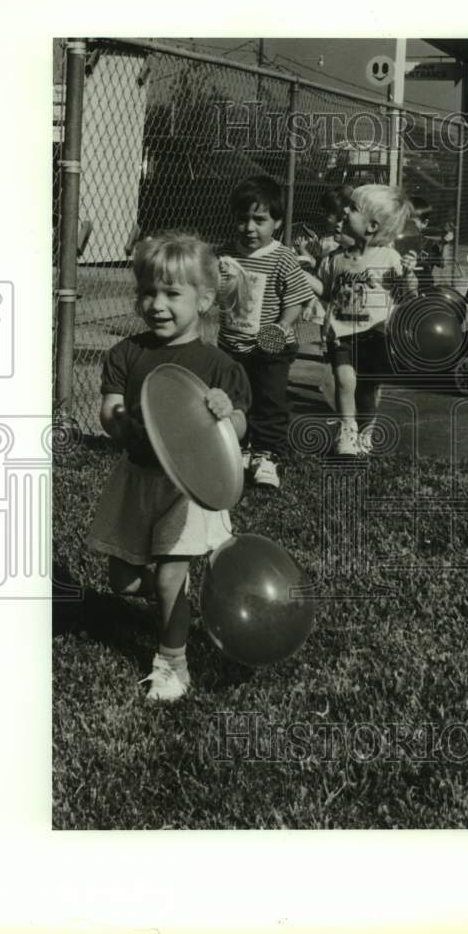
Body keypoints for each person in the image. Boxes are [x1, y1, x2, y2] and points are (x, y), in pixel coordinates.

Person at [86, 232, 252, 702]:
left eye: (171, 294)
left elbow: (237, 425)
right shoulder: (126, 354)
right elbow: (110, 410)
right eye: (148, 292)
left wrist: (224, 413)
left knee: (168, 575)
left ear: (202, 300)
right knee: (123, 580)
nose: (156, 304)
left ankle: (172, 664)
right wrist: (119, 421)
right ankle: (177, 599)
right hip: (138, 479)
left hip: (188, 487)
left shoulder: (219, 366)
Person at [216, 175, 313, 490]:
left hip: (271, 346)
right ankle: (241, 449)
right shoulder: (226, 254)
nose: (249, 227)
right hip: (232, 343)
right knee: (236, 398)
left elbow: (297, 298)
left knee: (269, 399)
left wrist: (282, 326)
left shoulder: (282, 257)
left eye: (259, 220)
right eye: (243, 219)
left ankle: (267, 455)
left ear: (277, 223)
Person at [306, 184, 417, 455]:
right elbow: (326, 290)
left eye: (353, 208)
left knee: (367, 388)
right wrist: (301, 275)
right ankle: (347, 429)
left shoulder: (389, 257)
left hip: (374, 333)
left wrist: (408, 275)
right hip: (341, 331)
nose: (345, 210)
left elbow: (407, 292)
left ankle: (366, 428)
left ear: (371, 226)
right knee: (344, 380)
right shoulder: (334, 259)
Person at [395, 195, 443, 295]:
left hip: (422, 297)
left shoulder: (430, 246)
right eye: (403, 221)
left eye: (411, 223)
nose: (406, 226)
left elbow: (437, 270)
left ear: (424, 223)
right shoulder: (393, 242)